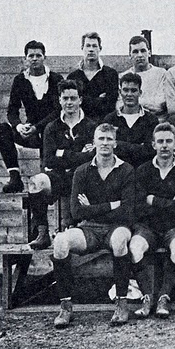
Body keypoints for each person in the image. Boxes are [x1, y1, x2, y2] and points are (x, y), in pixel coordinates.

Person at [52, 123, 135, 328]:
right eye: (101, 138)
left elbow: (127, 211)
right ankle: (65, 306)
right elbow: (77, 212)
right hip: (89, 228)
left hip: (117, 226)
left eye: (109, 139)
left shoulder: (126, 170)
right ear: (94, 142)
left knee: (118, 242)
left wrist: (93, 207)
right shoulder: (81, 171)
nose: (105, 143)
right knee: (61, 242)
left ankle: (121, 302)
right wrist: (110, 205)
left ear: (115, 143)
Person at [130, 122, 175, 319]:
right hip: (147, 226)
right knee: (135, 247)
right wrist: (171, 202)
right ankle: (147, 296)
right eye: (160, 142)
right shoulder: (142, 171)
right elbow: (139, 207)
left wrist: (154, 200)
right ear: (153, 145)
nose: (164, 146)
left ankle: (164, 296)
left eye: (168, 141)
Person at [26, 79, 96, 249]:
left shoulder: (91, 126)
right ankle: (42, 232)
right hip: (59, 176)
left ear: (80, 99)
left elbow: (92, 157)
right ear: (59, 100)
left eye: (73, 98)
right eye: (65, 98)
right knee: (36, 182)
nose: (69, 103)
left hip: (83, 177)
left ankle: (78, 228)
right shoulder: (52, 127)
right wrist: (79, 154)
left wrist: (63, 153)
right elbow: (49, 159)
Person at [0, 40, 63, 193]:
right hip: (30, 131)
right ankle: (15, 178)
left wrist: (36, 127)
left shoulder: (56, 79)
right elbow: (12, 110)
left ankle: (48, 176)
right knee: (3, 129)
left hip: (52, 130)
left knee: (49, 129)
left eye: (38, 55)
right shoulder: (20, 80)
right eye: (31, 55)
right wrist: (19, 126)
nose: (34, 59)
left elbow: (58, 111)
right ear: (25, 58)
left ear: (44, 57)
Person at [103, 73, 158, 168]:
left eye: (133, 90)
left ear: (140, 93)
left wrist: (119, 144)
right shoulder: (110, 119)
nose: (129, 94)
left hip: (143, 170)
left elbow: (151, 150)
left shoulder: (151, 120)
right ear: (120, 92)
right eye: (125, 90)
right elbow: (107, 147)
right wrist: (139, 147)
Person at [67, 32, 118, 122]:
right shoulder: (72, 77)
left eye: (94, 46)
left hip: (104, 126)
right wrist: (99, 99)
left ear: (100, 49)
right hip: (80, 127)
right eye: (88, 46)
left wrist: (83, 99)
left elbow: (110, 105)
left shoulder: (111, 74)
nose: (91, 49)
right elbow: (72, 106)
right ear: (82, 48)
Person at [119, 35, 167, 119]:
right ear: (130, 55)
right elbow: (120, 104)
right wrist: (149, 102)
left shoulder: (161, 73)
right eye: (135, 52)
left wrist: (133, 103)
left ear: (149, 53)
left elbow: (161, 104)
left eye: (143, 51)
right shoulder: (123, 76)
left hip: (158, 122)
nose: (140, 55)